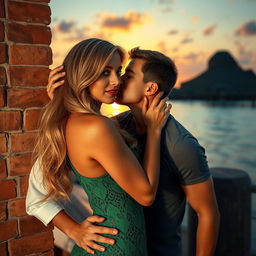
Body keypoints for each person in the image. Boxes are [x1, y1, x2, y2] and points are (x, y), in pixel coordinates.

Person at [27, 46, 220, 256]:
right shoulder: (113, 126)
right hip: (117, 245)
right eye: (107, 72)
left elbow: (208, 213)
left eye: (124, 74)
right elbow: (38, 189)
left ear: (150, 88)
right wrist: (62, 102)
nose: (118, 81)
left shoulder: (181, 145)